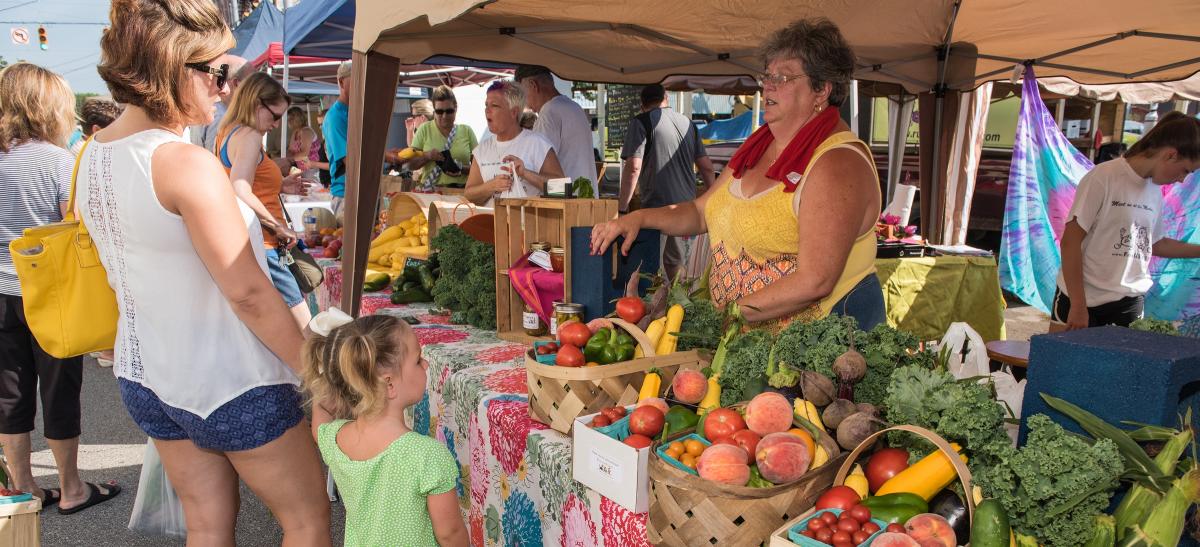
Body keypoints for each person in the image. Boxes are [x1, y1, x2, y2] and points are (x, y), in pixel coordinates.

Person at [85, 1, 330, 543]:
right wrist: (317, 374)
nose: (225, 88)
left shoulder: (95, 153)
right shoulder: (182, 163)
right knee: (307, 520)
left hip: (146, 373)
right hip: (229, 379)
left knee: (206, 523)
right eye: (217, 71)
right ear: (173, 66)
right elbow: (248, 293)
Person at [591, 18, 884, 330]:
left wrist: (726, 316)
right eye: (767, 75)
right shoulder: (756, 148)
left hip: (823, 345)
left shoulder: (837, 162)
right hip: (744, 338)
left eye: (783, 77)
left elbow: (815, 280)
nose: (768, 86)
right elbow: (700, 212)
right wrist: (639, 218)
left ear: (821, 90)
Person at [0, 62, 123, 515]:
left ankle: (24, 488)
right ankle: (71, 488)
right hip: (52, 295)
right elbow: (78, 226)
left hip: (0, 294)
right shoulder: (59, 161)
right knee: (59, 391)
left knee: (9, 394)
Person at [302, 310, 467, 546]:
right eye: (417, 360)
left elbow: (319, 425)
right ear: (389, 383)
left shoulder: (334, 439)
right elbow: (450, 533)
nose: (426, 364)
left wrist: (323, 378)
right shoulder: (428, 456)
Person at [1056, 112, 1200, 330]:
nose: (1182, 179)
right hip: (1081, 299)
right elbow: (1070, 241)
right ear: (1171, 155)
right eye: (1185, 171)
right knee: (1060, 353)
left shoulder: (1154, 190)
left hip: (1128, 301)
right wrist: (1078, 305)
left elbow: (1156, 243)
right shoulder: (1104, 177)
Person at [215, 72, 313, 328]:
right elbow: (240, 188)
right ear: (257, 104)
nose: (276, 125)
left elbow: (245, 181)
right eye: (275, 116)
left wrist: (280, 184)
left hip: (253, 242)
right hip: (266, 245)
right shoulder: (250, 136)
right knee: (306, 331)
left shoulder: (228, 132)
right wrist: (277, 226)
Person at [620, 84, 716, 281]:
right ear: (666, 98)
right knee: (677, 268)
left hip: (656, 211)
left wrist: (622, 208)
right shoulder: (688, 124)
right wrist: (714, 200)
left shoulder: (641, 122)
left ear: (642, 105)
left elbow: (633, 168)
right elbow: (706, 167)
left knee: (650, 270)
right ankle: (679, 299)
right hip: (687, 213)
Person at [464, 81, 565, 207]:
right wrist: (491, 186)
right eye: (486, 105)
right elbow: (469, 195)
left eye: (494, 105)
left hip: (528, 219)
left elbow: (561, 189)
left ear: (514, 112)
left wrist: (526, 173)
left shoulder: (537, 143)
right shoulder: (481, 150)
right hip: (489, 220)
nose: (487, 111)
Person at [515, 65, 597, 195]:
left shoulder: (548, 113)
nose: (526, 104)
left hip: (565, 201)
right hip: (585, 198)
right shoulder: (574, 107)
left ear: (533, 85)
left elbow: (537, 167)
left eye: (523, 95)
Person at [391, 85, 478, 191]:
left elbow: (480, 168)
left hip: (460, 192)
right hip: (431, 193)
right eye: (439, 112)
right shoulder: (424, 129)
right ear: (434, 111)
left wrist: (460, 168)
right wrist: (427, 156)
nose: (444, 116)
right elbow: (410, 165)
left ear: (456, 108)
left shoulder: (467, 131)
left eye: (449, 111)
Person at [189, 54, 251, 153]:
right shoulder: (221, 117)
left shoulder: (212, 110)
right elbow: (215, 157)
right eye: (252, 83)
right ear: (236, 83)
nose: (255, 89)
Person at [324, 61, 352, 221]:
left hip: (361, 191)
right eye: (357, 80)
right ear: (342, 82)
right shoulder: (336, 117)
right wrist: (387, 157)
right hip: (345, 195)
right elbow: (349, 160)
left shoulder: (355, 112)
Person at [286, 106, 326, 182]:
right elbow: (290, 150)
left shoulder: (306, 131)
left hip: (312, 170)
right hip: (300, 169)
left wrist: (289, 159)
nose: (288, 121)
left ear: (297, 119)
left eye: (290, 119)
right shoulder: (295, 132)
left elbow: (304, 153)